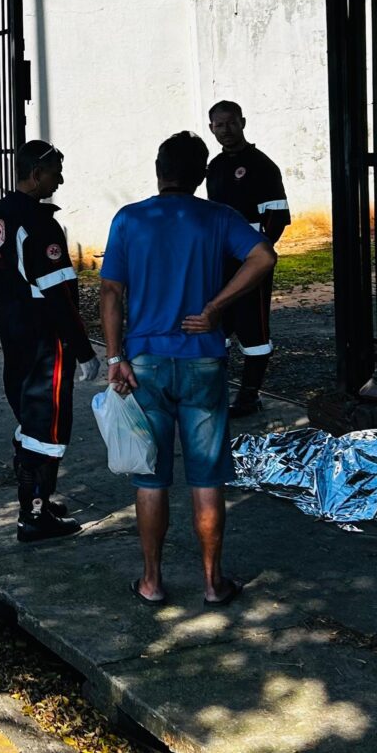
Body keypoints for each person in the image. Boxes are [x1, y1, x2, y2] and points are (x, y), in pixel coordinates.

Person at [100, 132, 276, 605]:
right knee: (206, 477)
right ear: (201, 175)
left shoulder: (130, 220)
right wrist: (217, 306)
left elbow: (111, 293)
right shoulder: (219, 217)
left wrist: (115, 358)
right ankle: (213, 583)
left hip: (145, 364)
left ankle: (152, 581)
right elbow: (264, 256)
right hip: (203, 359)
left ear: (158, 169)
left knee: (150, 478)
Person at [0, 140, 102, 543]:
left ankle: (40, 498)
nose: (61, 179)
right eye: (55, 172)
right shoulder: (40, 224)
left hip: (14, 331)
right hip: (43, 338)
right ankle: (33, 516)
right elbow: (58, 296)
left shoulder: (0, 213)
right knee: (46, 425)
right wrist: (83, 349)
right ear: (36, 174)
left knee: (29, 416)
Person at [204, 100, 289, 417]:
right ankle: (216, 392)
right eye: (219, 125)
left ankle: (250, 396)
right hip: (219, 262)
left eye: (231, 123)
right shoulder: (214, 167)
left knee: (253, 329)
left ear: (243, 122)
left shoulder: (262, 165)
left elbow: (276, 219)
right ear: (211, 128)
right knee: (219, 325)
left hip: (250, 264)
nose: (226, 130)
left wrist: (255, 256)